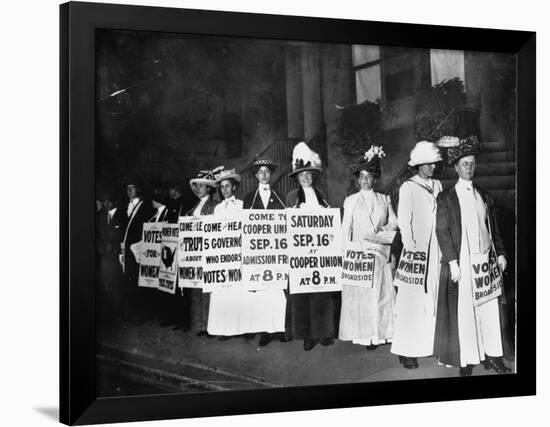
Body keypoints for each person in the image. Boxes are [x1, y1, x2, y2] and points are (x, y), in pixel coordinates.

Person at [434, 136, 511, 376]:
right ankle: (467, 360)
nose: (469, 167)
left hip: (485, 263)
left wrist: (500, 253)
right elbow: (442, 231)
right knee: (466, 313)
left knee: (489, 311)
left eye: (472, 163)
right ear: (456, 167)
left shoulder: (484, 195)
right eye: (465, 163)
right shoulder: (446, 198)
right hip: (464, 263)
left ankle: (493, 356)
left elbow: (493, 228)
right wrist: (452, 261)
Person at [339, 145, 398, 350]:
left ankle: (380, 334)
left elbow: (394, 222)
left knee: (380, 297)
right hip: (360, 257)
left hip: (380, 254)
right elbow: (345, 229)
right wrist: (346, 253)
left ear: (375, 178)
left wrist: (384, 228)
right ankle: (365, 336)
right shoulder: (350, 201)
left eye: (369, 176)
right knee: (363, 299)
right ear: (358, 179)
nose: (365, 180)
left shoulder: (384, 199)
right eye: (362, 176)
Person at [390, 141, 443, 369]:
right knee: (411, 302)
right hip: (416, 253)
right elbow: (404, 222)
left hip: (436, 252)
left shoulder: (438, 185)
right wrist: (413, 248)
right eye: (428, 164)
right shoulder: (408, 187)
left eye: (434, 164)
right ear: (419, 165)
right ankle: (406, 350)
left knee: (431, 298)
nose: (433, 167)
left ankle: (426, 345)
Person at [285, 142, 338, 351]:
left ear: (313, 176)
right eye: (302, 175)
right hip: (301, 254)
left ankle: (323, 333)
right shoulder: (291, 197)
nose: (306, 178)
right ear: (297, 177)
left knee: (322, 294)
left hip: (321, 253)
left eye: (309, 174)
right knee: (303, 295)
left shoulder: (322, 195)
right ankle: (307, 335)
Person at [242, 157, 287, 347]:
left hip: (276, 251)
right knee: (262, 290)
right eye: (260, 172)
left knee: (277, 290)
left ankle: (279, 328)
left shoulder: (280, 197)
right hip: (258, 253)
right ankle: (266, 330)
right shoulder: (249, 199)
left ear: (271, 174)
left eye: (267, 172)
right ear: (255, 175)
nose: (264, 175)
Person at [207, 167, 251, 340]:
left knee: (238, 292)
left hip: (237, 254)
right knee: (223, 292)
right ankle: (226, 328)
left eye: (228, 186)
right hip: (222, 255)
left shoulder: (242, 206)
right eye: (222, 187)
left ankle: (242, 328)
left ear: (234, 187)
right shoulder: (217, 209)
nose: (225, 190)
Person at [184, 170, 218, 336]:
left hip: (207, 252)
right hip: (194, 253)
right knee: (196, 288)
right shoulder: (193, 208)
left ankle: (208, 325)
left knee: (207, 289)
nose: (198, 188)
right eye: (196, 185)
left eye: (202, 185)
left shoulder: (214, 206)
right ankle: (199, 324)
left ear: (209, 188)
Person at [120, 179, 154, 322]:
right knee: (128, 281)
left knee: (139, 282)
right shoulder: (124, 206)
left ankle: (142, 314)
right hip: (127, 250)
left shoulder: (145, 205)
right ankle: (130, 313)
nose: (129, 191)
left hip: (139, 249)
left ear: (138, 189)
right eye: (128, 189)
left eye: (132, 188)